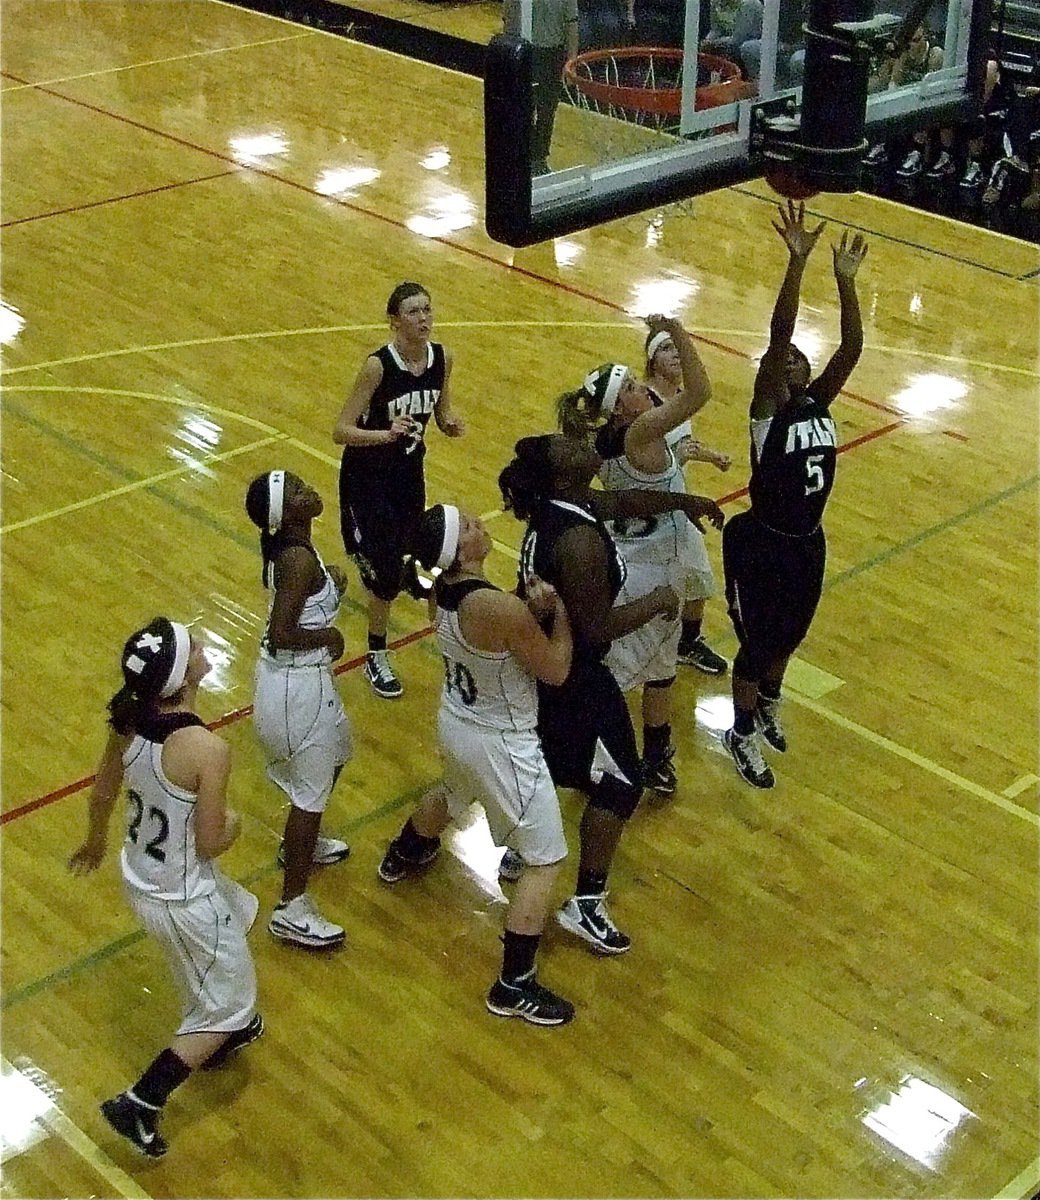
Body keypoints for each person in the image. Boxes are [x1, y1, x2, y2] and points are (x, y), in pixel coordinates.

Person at [499, 434, 723, 951]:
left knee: (562, 763)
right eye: (566, 447)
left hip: (555, 670)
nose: (577, 445)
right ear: (562, 476)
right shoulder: (577, 541)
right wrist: (659, 600)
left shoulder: (572, 502)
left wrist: (684, 502)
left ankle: (520, 844)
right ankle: (585, 902)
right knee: (622, 783)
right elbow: (595, 629)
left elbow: (623, 501)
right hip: (577, 677)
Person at [69, 618, 261, 1159]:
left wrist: (93, 841)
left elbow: (104, 789)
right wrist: (238, 826)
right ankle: (141, 1102)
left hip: (143, 875)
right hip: (181, 897)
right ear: (180, 676)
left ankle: (215, 1036)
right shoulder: (205, 749)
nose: (203, 646)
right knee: (233, 1004)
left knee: (240, 909)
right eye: (194, 645)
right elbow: (211, 843)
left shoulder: (128, 720)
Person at [377, 503, 577, 1025]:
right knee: (545, 859)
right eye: (467, 526)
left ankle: (405, 852)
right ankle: (514, 984)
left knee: (451, 792)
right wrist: (561, 617)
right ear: (458, 550)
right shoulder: (497, 607)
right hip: (502, 741)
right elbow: (555, 670)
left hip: (458, 721)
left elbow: (494, 636)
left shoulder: (440, 592)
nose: (478, 524)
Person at [722, 203, 867, 789]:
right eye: (781, 359)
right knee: (757, 645)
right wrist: (797, 261)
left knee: (791, 635)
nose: (792, 358)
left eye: (799, 357)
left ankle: (768, 703)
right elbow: (779, 333)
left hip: (808, 541)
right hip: (763, 542)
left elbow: (851, 349)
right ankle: (740, 730)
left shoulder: (819, 402)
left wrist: (846, 282)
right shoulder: (766, 413)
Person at [556, 318, 718, 799]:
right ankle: (574, 760)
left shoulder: (608, 441)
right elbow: (700, 391)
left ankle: (657, 758)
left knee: (662, 671)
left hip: (642, 562)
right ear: (619, 409)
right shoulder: (638, 434)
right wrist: (679, 331)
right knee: (614, 680)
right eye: (628, 386)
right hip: (646, 574)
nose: (639, 388)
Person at [334, 281, 465, 700]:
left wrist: (449, 425)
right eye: (413, 311)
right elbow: (341, 431)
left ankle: (446, 646)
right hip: (367, 481)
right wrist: (385, 434)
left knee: (425, 555)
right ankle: (376, 653)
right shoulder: (377, 367)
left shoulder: (442, 358)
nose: (424, 318)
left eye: (427, 309)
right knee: (386, 573)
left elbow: (440, 412)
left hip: (409, 476)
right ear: (394, 321)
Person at [245, 470, 352, 948]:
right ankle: (291, 908)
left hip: (300, 684)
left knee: (338, 755)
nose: (307, 487)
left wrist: (334, 588)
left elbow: (301, 605)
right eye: (295, 489)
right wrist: (329, 635)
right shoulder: (296, 560)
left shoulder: (296, 553)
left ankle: (300, 846)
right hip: (296, 689)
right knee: (310, 794)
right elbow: (281, 632)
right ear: (285, 514)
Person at [643, 317, 732, 675]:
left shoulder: (679, 398)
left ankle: (682, 641)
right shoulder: (645, 400)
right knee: (696, 579)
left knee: (691, 579)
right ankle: (684, 643)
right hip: (653, 498)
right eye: (666, 348)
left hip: (674, 495)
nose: (677, 355)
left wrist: (711, 457)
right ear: (651, 360)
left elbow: (681, 447)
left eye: (678, 347)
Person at [503, 0, 579, 176]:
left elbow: (572, 24)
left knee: (546, 110)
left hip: (552, 56)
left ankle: (538, 159)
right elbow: (509, 16)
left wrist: (571, 62)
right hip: (525, 51)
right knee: (525, 108)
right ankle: (525, 157)